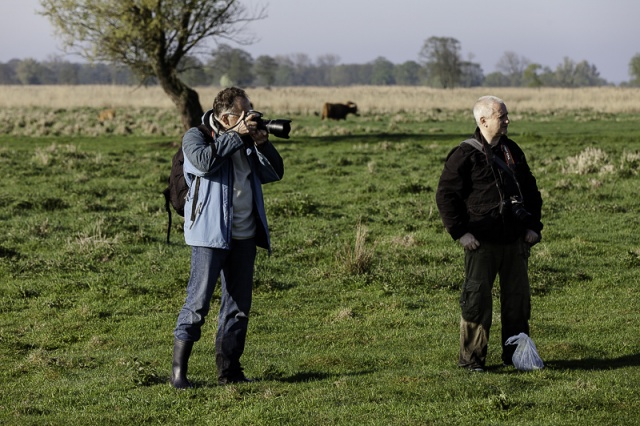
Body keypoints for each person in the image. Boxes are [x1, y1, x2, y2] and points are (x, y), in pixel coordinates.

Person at [171, 87, 284, 388]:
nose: (252, 115)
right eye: (245, 111)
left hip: (245, 234)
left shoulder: (246, 141)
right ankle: (179, 375)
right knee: (197, 304)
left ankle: (230, 372)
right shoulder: (196, 136)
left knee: (238, 308)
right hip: (209, 236)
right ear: (226, 117)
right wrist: (236, 135)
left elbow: (274, 173)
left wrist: (263, 145)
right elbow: (204, 163)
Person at [435, 95, 543, 372]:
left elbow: (530, 191)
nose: (507, 121)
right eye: (501, 116)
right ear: (483, 121)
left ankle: (516, 357)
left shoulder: (512, 151)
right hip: (480, 243)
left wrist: (533, 226)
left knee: (517, 302)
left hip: (515, 240)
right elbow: (446, 195)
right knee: (476, 302)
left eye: (506, 116)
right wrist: (461, 233)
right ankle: (472, 361)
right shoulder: (464, 154)